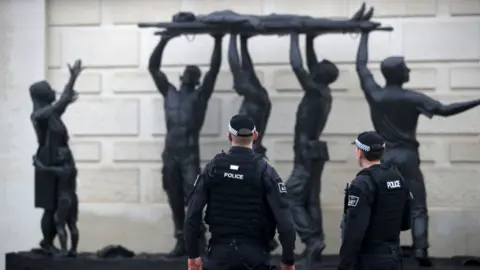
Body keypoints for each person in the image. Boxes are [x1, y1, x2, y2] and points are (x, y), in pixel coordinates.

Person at [355, 26, 480, 266]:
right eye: (406, 68)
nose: (409, 70)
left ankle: (379, 249)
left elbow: (361, 67)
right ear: (399, 73)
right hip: (408, 157)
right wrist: (477, 100)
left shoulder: (376, 95)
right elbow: (445, 110)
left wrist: (364, 34)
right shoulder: (412, 98)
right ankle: (420, 250)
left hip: (384, 156)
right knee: (418, 205)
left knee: (381, 204)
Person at [184, 115, 296, 270]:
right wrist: (288, 261)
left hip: (219, 256)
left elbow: (192, 215)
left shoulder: (213, 168)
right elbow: (286, 223)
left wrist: (193, 255)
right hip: (255, 257)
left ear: (229, 136)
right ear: (255, 136)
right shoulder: (265, 171)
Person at [148, 32, 223, 257]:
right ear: (181, 76)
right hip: (170, 154)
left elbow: (214, 69)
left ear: (197, 79)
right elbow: (153, 67)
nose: (191, 72)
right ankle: (181, 240)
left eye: (195, 72)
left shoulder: (201, 96)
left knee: (194, 199)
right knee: (174, 198)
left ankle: (197, 240)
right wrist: (164, 39)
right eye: (188, 71)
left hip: (189, 155)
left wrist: (218, 41)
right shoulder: (168, 92)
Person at [285, 32, 338, 267]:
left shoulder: (315, 91)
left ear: (318, 76)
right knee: (310, 201)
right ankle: (315, 246)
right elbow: (309, 64)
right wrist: (309, 38)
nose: (312, 69)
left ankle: (311, 240)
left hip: (306, 152)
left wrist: (295, 36)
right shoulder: (323, 92)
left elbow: (297, 66)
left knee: (288, 198)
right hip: (314, 150)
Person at [30, 59, 83, 255]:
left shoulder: (52, 114)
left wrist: (72, 80)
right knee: (49, 206)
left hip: (60, 160)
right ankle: (48, 242)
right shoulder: (39, 114)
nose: (54, 91)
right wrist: (71, 80)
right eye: (50, 89)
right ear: (41, 95)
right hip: (46, 160)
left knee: (61, 206)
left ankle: (58, 245)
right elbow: (62, 100)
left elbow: (65, 99)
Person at [338, 131, 412, 270]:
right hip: (394, 258)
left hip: (369, 259)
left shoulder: (362, 183)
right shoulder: (397, 178)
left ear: (360, 153)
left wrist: (344, 265)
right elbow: (406, 223)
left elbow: (354, 232)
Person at [228, 33, 272, 159]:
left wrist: (232, 35)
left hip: (251, 149)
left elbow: (235, 66)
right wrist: (242, 41)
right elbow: (247, 67)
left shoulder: (255, 97)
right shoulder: (258, 96)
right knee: (248, 70)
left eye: (236, 83)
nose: (234, 87)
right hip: (253, 146)